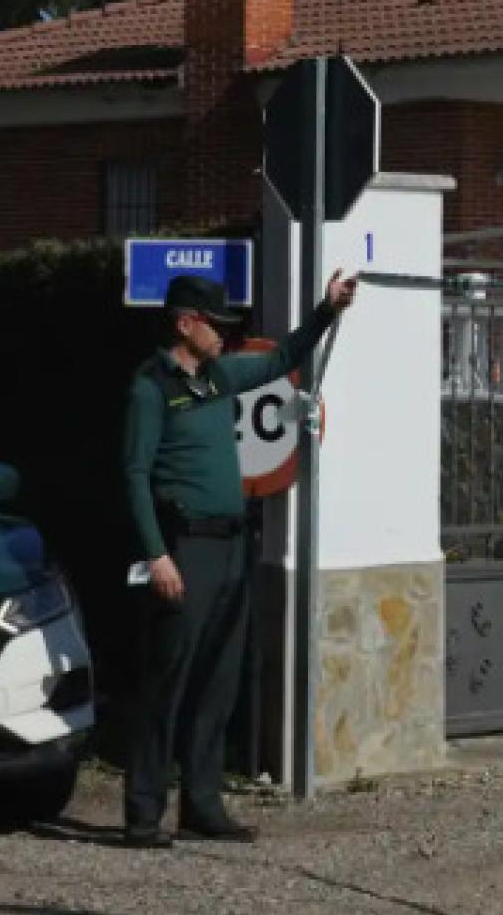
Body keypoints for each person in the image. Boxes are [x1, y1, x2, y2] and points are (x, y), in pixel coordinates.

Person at [121, 269, 355, 848]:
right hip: (185, 549)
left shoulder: (217, 378)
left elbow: (282, 361)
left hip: (229, 546)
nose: (225, 334)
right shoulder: (151, 388)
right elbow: (134, 475)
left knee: (218, 680)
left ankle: (202, 803)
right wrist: (156, 556)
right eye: (215, 324)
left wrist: (326, 311)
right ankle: (143, 813)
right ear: (184, 324)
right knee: (168, 680)